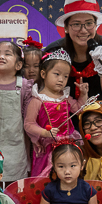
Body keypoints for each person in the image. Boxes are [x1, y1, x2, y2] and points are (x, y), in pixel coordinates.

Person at [24, 49, 88, 177]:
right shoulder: (37, 100)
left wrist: (83, 94)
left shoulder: (65, 98)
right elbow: (28, 124)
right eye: (57, 74)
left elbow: (79, 109)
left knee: (67, 176)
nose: (61, 80)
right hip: (48, 149)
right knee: (46, 178)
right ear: (43, 74)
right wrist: (44, 133)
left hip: (67, 147)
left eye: (65, 76)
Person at [0, 41, 32, 184]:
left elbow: (28, 118)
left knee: (17, 187)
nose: (1, 56)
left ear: (18, 65)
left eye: (7, 54)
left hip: (17, 145)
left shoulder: (24, 86)